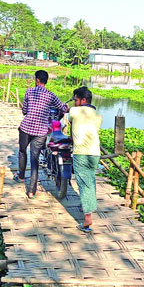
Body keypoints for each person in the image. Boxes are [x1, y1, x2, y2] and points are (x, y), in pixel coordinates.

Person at [15, 70, 68, 198]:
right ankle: (32, 191)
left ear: (37, 80)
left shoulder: (29, 91)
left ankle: (21, 176)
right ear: (46, 81)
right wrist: (66, 107)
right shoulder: (51, 95)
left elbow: (24, 111)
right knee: (34, 159)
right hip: (40, 131)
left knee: (22, 151)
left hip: (26, 128)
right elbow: (63, 108)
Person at [68, 86, 102, 233]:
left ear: (82, 100)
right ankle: (88, 206)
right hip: (95, 152)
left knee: (83, 183)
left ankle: (87, 218)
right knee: (90, 179)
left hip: (81, 152)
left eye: (76, 100)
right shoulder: (97, 115)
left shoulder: (74, 111)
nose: (74, 103)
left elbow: (68, 120)